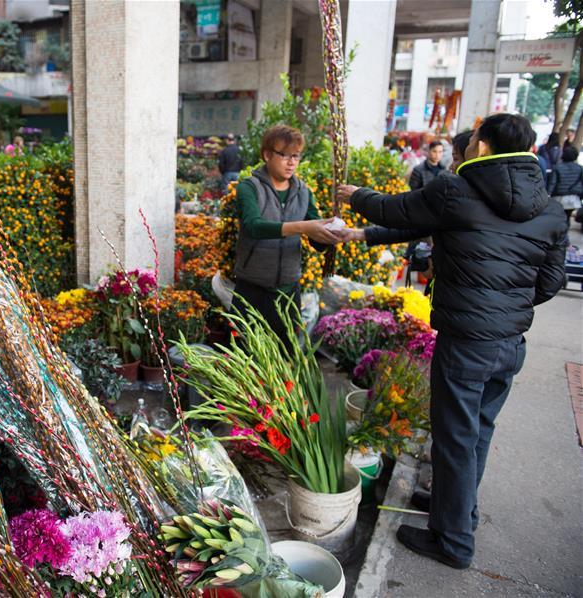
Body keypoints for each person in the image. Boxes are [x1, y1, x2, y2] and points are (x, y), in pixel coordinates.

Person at [336, 113, 567, 570]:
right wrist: (507, 306)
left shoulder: (455, 190)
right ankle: (458, 510)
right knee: (476, 432)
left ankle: (453, 542)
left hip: (466, 342)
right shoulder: (551, 208)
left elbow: (397, 209)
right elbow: (550, 282)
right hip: (510, 343)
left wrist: (355, 196)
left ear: (482, 148)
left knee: (455, 437)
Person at [232, 125, 343, 349]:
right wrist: (303, 226)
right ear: (267, 155)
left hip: (287, 291)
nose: (291, 162)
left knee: (284, 357)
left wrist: (331, 233)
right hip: (251, 288)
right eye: (284, 155)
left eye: (296, 156)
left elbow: (315, 241)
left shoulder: (303, 192)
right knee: (244, 357)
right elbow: (254, 226)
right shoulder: (249, 187)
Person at [547, 144, 583, 225]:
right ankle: (565, 231)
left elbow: (552, 183)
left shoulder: (557, 167)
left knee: (558, 217)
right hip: (574, 198)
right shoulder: (580, 168)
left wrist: (548, 195)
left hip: (559, 197)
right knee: (567, 216)